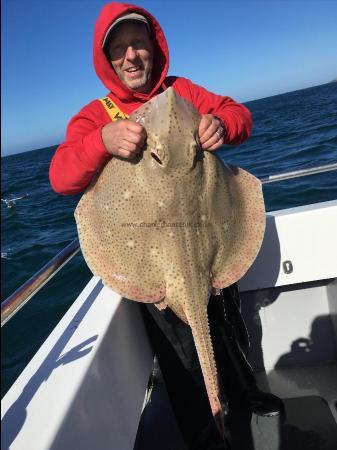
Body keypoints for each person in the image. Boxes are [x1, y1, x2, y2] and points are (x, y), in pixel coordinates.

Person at [49, 3, 284, 449]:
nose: (131, 56)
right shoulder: (97, 115)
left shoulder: (183, 93)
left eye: (138, 43)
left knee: (231, 346)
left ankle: (247, 418)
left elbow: (239, 115)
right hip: (153, 265)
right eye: (118, 49)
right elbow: (60, 176)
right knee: (185, 370)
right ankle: (210, 436)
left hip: (212, 248)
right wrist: (102, 141)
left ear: (154, 48)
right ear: (108, 61)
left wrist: (221, 124)